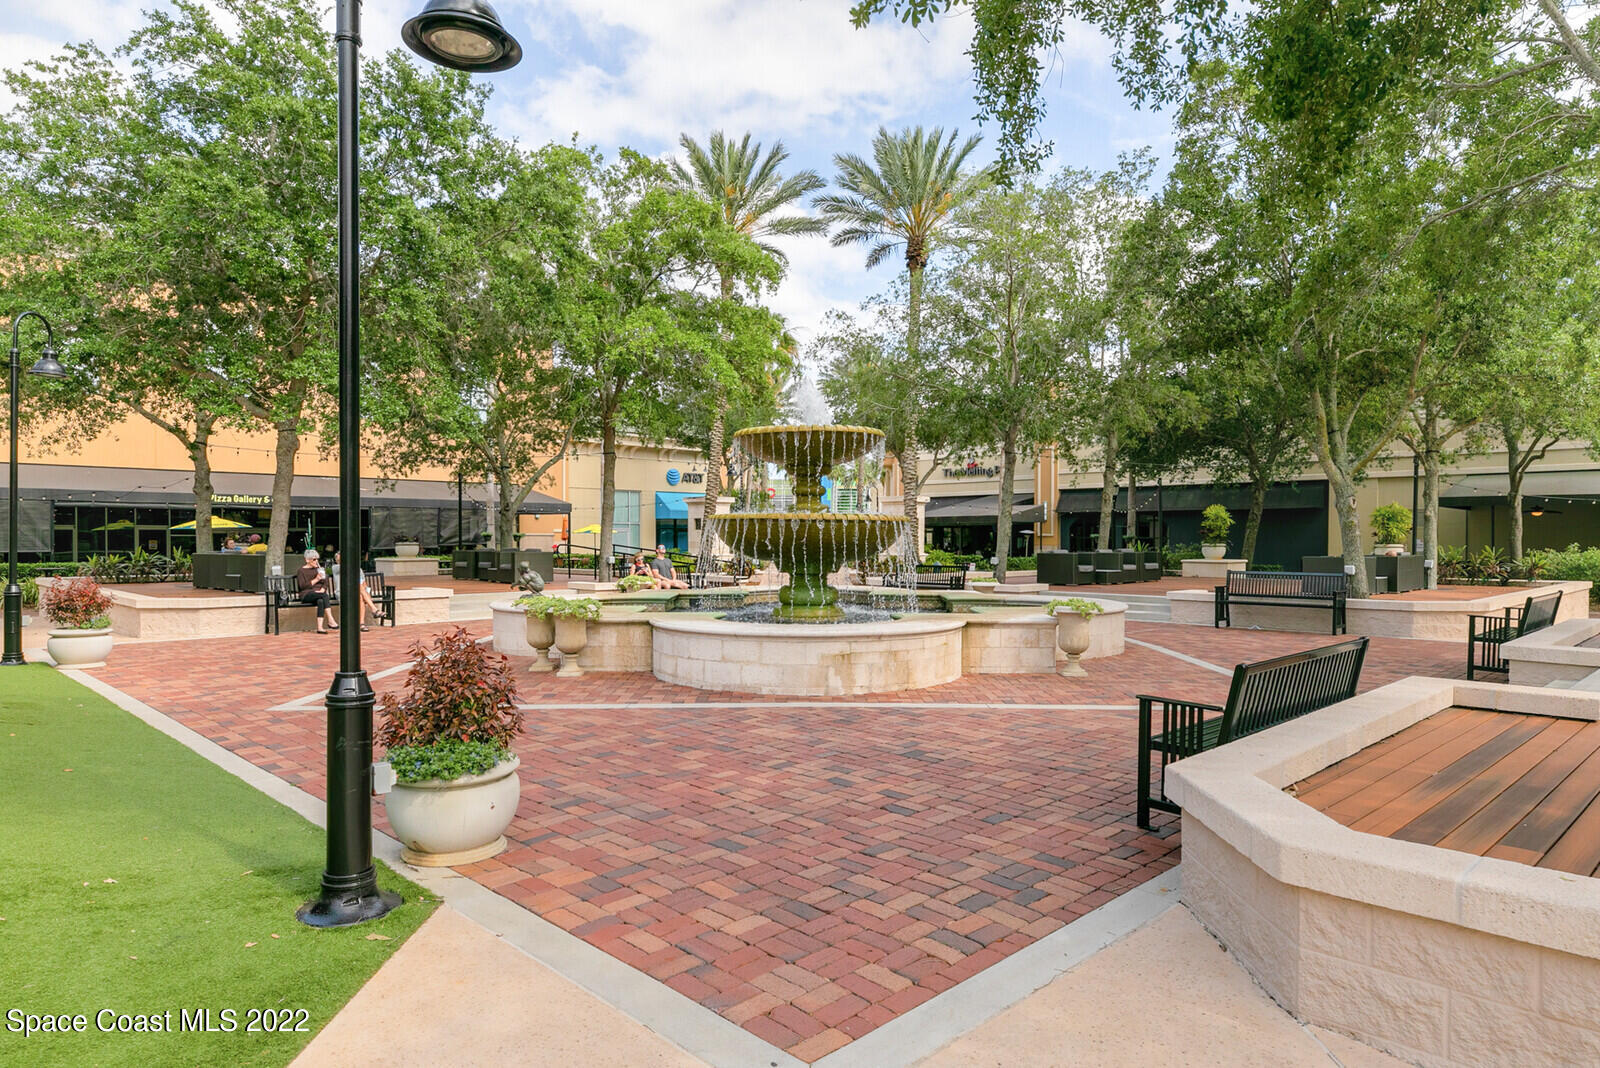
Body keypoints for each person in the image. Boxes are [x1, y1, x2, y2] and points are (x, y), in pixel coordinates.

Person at [333, 551, 384, 631]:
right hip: (343, 593)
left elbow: (364, 584)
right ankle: (374, 610)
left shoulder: (358, 569)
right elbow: (346, 567)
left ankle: (362, 624)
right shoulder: (336, 567)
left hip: (357, 592)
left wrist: (367, 594)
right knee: (358, 587)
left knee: (360, 595)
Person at [295, 549, 338, 633]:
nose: (316, 561)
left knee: (321, 601)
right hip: (306, 594)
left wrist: (322, 589)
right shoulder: (301, 571)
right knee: (324, 595)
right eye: (314, 559)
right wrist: (316, 579)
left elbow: (325, 582)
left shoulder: (319, 569)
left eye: (317, 559)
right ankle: (330, 619)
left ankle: (320, 627)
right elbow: (302, 586)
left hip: (319, 594)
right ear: (307, 560)